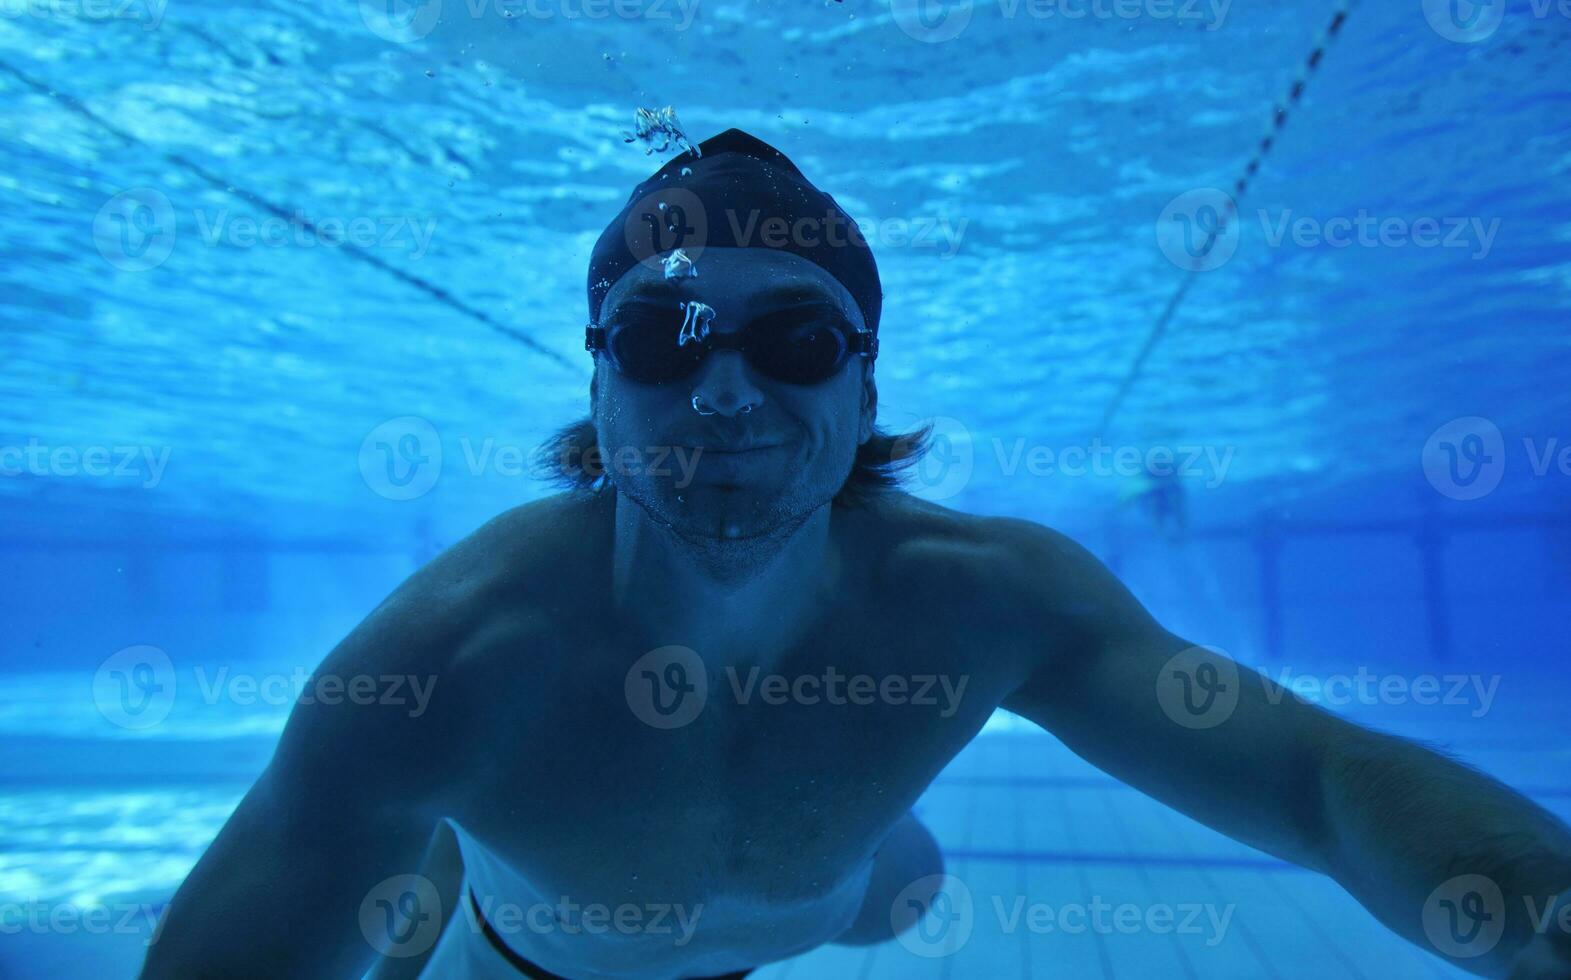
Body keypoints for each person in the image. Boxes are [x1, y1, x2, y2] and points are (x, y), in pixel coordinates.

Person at [139, 129, 1571, 980]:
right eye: (661, 338)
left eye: (796, 341)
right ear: (596, 391)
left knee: (895, 893)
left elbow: (1318, 783)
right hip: (537, 965)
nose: (724, 395)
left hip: (834, 896)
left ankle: (834, 835)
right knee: (427, 914)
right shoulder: (446, 669)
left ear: (865, 392)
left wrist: (1545, 922)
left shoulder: (980, 599)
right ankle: (458, 866)